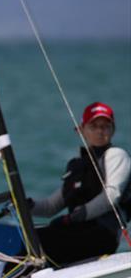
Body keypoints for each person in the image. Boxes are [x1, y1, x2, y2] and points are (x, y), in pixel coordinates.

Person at [16, 102, 130, 268]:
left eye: (105, 126)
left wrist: (75, 216)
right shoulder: (77, 166)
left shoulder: (116, 155)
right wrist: (25, 205)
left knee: (42, 240)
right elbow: (50, 207)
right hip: (77, 231)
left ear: (113, 130)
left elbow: (111, 196)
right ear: (81, 129)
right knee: (33, 237)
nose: (100, 131)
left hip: (101, 234)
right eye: (94, 126)